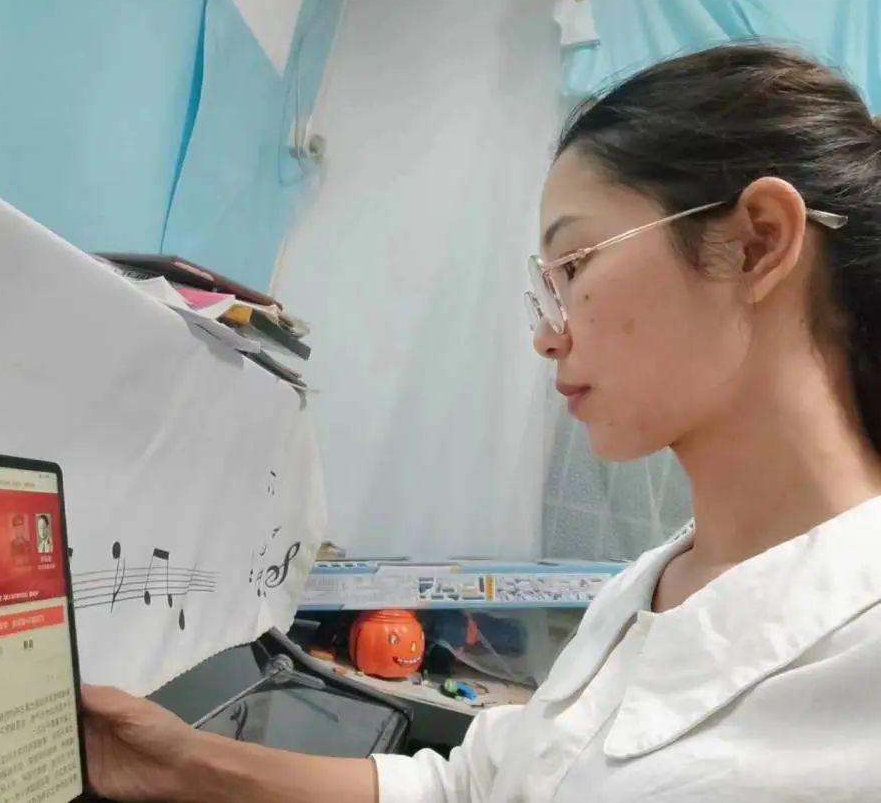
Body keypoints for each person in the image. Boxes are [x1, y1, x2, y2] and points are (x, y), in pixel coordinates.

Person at [79, 44, 881, 801]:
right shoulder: (642, 591)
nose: (546, 337)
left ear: (756, 244)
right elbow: (470, 789)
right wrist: (177, 764)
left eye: (575, 265)